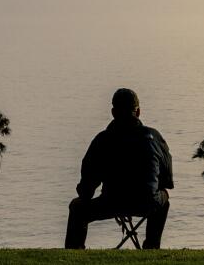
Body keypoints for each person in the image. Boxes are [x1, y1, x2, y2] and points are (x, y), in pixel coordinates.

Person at [64, 86, 174, 250]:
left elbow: (86, 188)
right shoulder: (155, 138)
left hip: (111, 202)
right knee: (163, 199)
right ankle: (151, 246)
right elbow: (167, 181)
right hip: (146, 202)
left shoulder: (102, 140)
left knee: (77, 208)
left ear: (113, 112)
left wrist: (84, 193)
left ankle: (74, 252)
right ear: (138, 112)